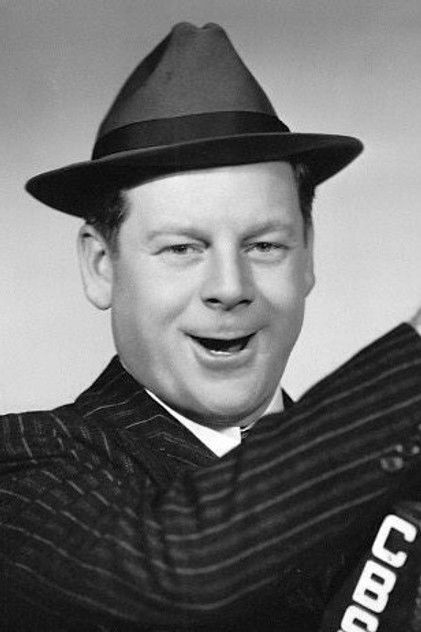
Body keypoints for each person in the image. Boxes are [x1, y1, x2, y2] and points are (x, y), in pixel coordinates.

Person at [1, 22, 420, 632]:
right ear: (100, 266)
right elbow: (177, 575)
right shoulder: (26, 466)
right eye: (182, 248)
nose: (230, 286)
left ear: (309, 255)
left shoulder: (395, 464)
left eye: (265, 245)